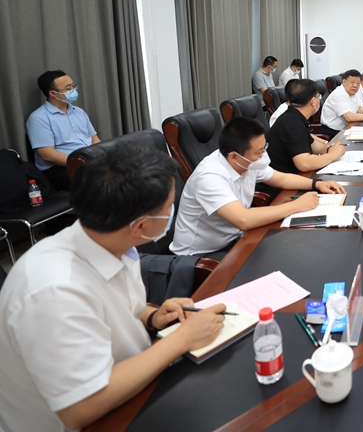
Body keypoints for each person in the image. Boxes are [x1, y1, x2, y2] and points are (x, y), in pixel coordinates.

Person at [0, 143, 226, 432]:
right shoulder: (53, 291)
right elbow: (81, 408)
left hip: (132, 382)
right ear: (140, 226)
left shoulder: (111, 242)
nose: (174, 210)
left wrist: (152, 317)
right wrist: (181, 339)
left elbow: (113, 306)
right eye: (170, 205)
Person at [170, 117, 344, 258]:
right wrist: (296, 206)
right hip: (201, 254)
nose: (263, 156)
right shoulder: (209, 177)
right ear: (234, 156)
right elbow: (243, 219)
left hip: (237, 237)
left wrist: (317, 184)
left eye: (264, 148)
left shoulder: (247, 161)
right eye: (258, 152)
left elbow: (281, 179)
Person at [26, 69, 101, 191]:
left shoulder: (79, 112)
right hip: (59, 168)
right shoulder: (39, 118)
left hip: (88, 161)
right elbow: (48, 155)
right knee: (102, 179)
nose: (73, 90)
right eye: (68, 88)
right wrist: (81, 163)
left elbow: (95, 139)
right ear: (53, 93)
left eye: (73, 86)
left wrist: (99, 157)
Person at [269, 79, 346, 174]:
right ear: (313, 102)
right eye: (319, 96)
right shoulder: (292, 124)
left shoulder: (294, 116)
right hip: (284, 179)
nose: (319, 99)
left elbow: (312, 144)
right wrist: (332, 155)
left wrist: (328, 148)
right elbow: (304, 164)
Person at [320, 69, 363, 138]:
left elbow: (357, 108)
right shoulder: (339, 94)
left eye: (358, 83)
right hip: (333, 132)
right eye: (352, 82)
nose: (355, 86)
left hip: (346, 128)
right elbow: (349, 117)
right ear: (344, 81)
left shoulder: (352, 92)